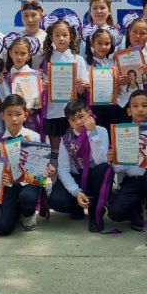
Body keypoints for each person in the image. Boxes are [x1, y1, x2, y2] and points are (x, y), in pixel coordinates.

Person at [105, 90, 147, 245]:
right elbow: (119, 169)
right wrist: (114, 160)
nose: (140, 109)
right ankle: (136, 208)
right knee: (115, 213)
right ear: (129, 111)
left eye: (144, 105)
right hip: (134, 180)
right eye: (135, 106)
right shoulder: (122, 133)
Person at [0, 94, 56, 235]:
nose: (14, 119)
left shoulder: (33, 137)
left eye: (18, 114)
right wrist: (0, 175)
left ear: (25, 115)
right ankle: (14, 212)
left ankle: (27, 214)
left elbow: (39, 165)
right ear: (2, 115)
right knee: (1, 229)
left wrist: (47, 170)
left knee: (27, 197)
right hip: (8, 186)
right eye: (9, 114)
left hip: (28, 184)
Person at [47, 99, 109, 231]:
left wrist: (93, 134)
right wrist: (76, 192)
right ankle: (77, 205)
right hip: (76, 176)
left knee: (103, 168)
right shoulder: (66, 139)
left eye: (81, 116)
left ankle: (95, 212)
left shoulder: (101, 131)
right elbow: (63, 170)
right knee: (55, 200)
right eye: (73, 119)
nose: (78, 122)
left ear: (89, 113)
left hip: (95, 176)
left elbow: (101, 161)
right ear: (69, 122)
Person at [39, 12, 89, 157]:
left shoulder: (78, 59)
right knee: (56, 147)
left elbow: (81, 92)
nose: (61, 38)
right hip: (53, 109)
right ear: (51, 38)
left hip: (73, 109)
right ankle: (56, 169)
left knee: (73, 147)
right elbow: (40, 86)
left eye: (65, 35)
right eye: (57, 35)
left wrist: (81, 86)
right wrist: (44, 86)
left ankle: (72, 168)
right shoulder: (47, 60)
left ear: (71, 36)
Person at [0, 33, 43, 134]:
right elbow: (3, 99)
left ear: (29, 55)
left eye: (23, 53)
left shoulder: (35, 75)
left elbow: (38, 101)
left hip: (31, 117)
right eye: (16, 53)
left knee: (30, 141)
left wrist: (32, 107)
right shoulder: (5, 77)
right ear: (10, 53)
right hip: (12, 118)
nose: (19, 57)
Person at [83, 26, 125, 130]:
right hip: (93, 107)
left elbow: (119, 88)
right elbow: (81, 88)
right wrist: (85, 86)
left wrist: (119, 83)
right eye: (100, 43)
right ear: (92, 43)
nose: (103, 47)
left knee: (110, 134)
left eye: (107, 44)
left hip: (112, 107)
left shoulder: (113, 63)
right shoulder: (85, 63)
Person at [19, 0, 46, 67]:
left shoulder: (48, 38)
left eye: (33, 15)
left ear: (41, 16)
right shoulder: (16, 38)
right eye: (26, 15)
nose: (30, 20)